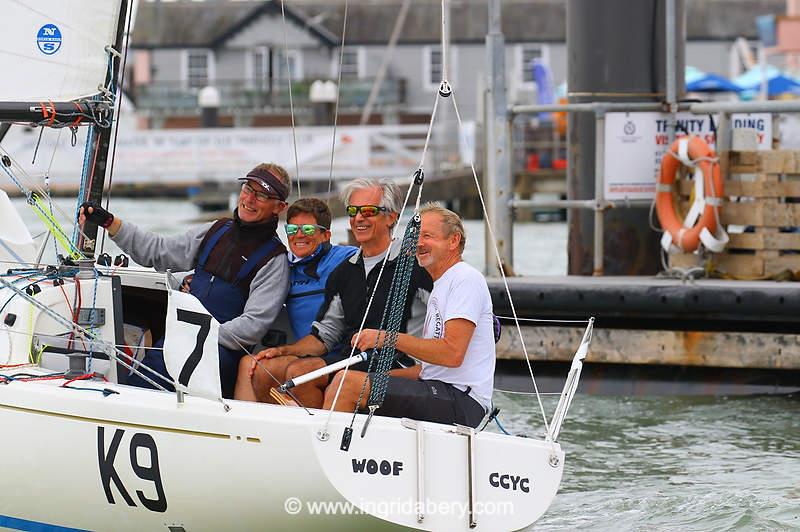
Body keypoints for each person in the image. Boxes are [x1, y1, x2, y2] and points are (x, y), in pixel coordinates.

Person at [79, 163, 291, 398]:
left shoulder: (274, 260)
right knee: (133, 391)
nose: (250, 199)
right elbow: (159, 252)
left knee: (150, 391)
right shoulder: (216, 230)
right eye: (247, 188)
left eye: (261, 195)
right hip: (179, 338)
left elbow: (253, 326)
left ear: (279, 207)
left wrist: (202, 336)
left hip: (218, 354)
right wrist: (110, 223)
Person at [235, 178, 432, 407]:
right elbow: (325, 336)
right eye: (353, 211)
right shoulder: (344, 272)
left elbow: (446, 320)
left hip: (400, 363)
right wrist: (283, 350)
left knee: (301, 372)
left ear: (392, 217)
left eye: (368, 211)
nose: (358, 218)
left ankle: (320, 435)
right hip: (352, 358)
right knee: (264, 370)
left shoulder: (416, 265)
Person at [324, 204, 494, 428]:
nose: (418, 243)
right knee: (341, 378)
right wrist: (377, 376)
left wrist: (386, 338)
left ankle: (330, 452)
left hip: (461, 401)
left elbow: (452, 354)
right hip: (440, 390)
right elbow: (426, 370)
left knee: (347, 385)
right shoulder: (441, 285)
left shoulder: (465, 279)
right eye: (415, 236)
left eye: (428, 236)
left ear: (453, 241)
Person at [282, 198, 357, 340]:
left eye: (308, 229)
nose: (298, 235)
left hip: (344, 352)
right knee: (249, 362)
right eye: (292, 229)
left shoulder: (347, 256)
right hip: (303, 353)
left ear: (326, 236)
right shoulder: (281, 267)